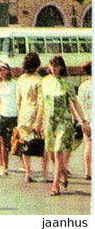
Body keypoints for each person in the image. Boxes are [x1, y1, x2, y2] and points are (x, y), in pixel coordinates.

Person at [41, 55, 90, 196]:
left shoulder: (66, 83)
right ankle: (62, 173)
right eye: (52, 66)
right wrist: (37, 122)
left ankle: (55, 185)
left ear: (61, 67)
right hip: (49, 121)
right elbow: (41, 103)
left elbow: (75, 103)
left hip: (63, 121)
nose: (54, 68)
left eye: (56, 66)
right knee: (51, 151)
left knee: (58, 151)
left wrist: (83, 121)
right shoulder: (44, 82)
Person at [15, 51, 44, 183]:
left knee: (25, 143)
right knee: (43, 143)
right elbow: (41, 102)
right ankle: (46, 171)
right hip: (35, 113)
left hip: (23, 114)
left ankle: (28, 172)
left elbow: (18, 100)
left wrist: (19, 116)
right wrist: (39, 120)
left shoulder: (20, 80)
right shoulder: (39, 80)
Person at [0, 60, 18, 175]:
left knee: (18, 142)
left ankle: (26, 168)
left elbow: (19, 99)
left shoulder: (14, 83)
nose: (1, 73)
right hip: (3, 115)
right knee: (3, 142)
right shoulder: (0, 85)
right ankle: (4, 167)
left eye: (3, 70)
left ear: (7, 70)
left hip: (14, 115)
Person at [77, 61, 92, 180]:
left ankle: (88, 171)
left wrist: (82, 120)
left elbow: (80, 104)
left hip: (86, 119)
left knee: (88, 144)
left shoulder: (82, 86)